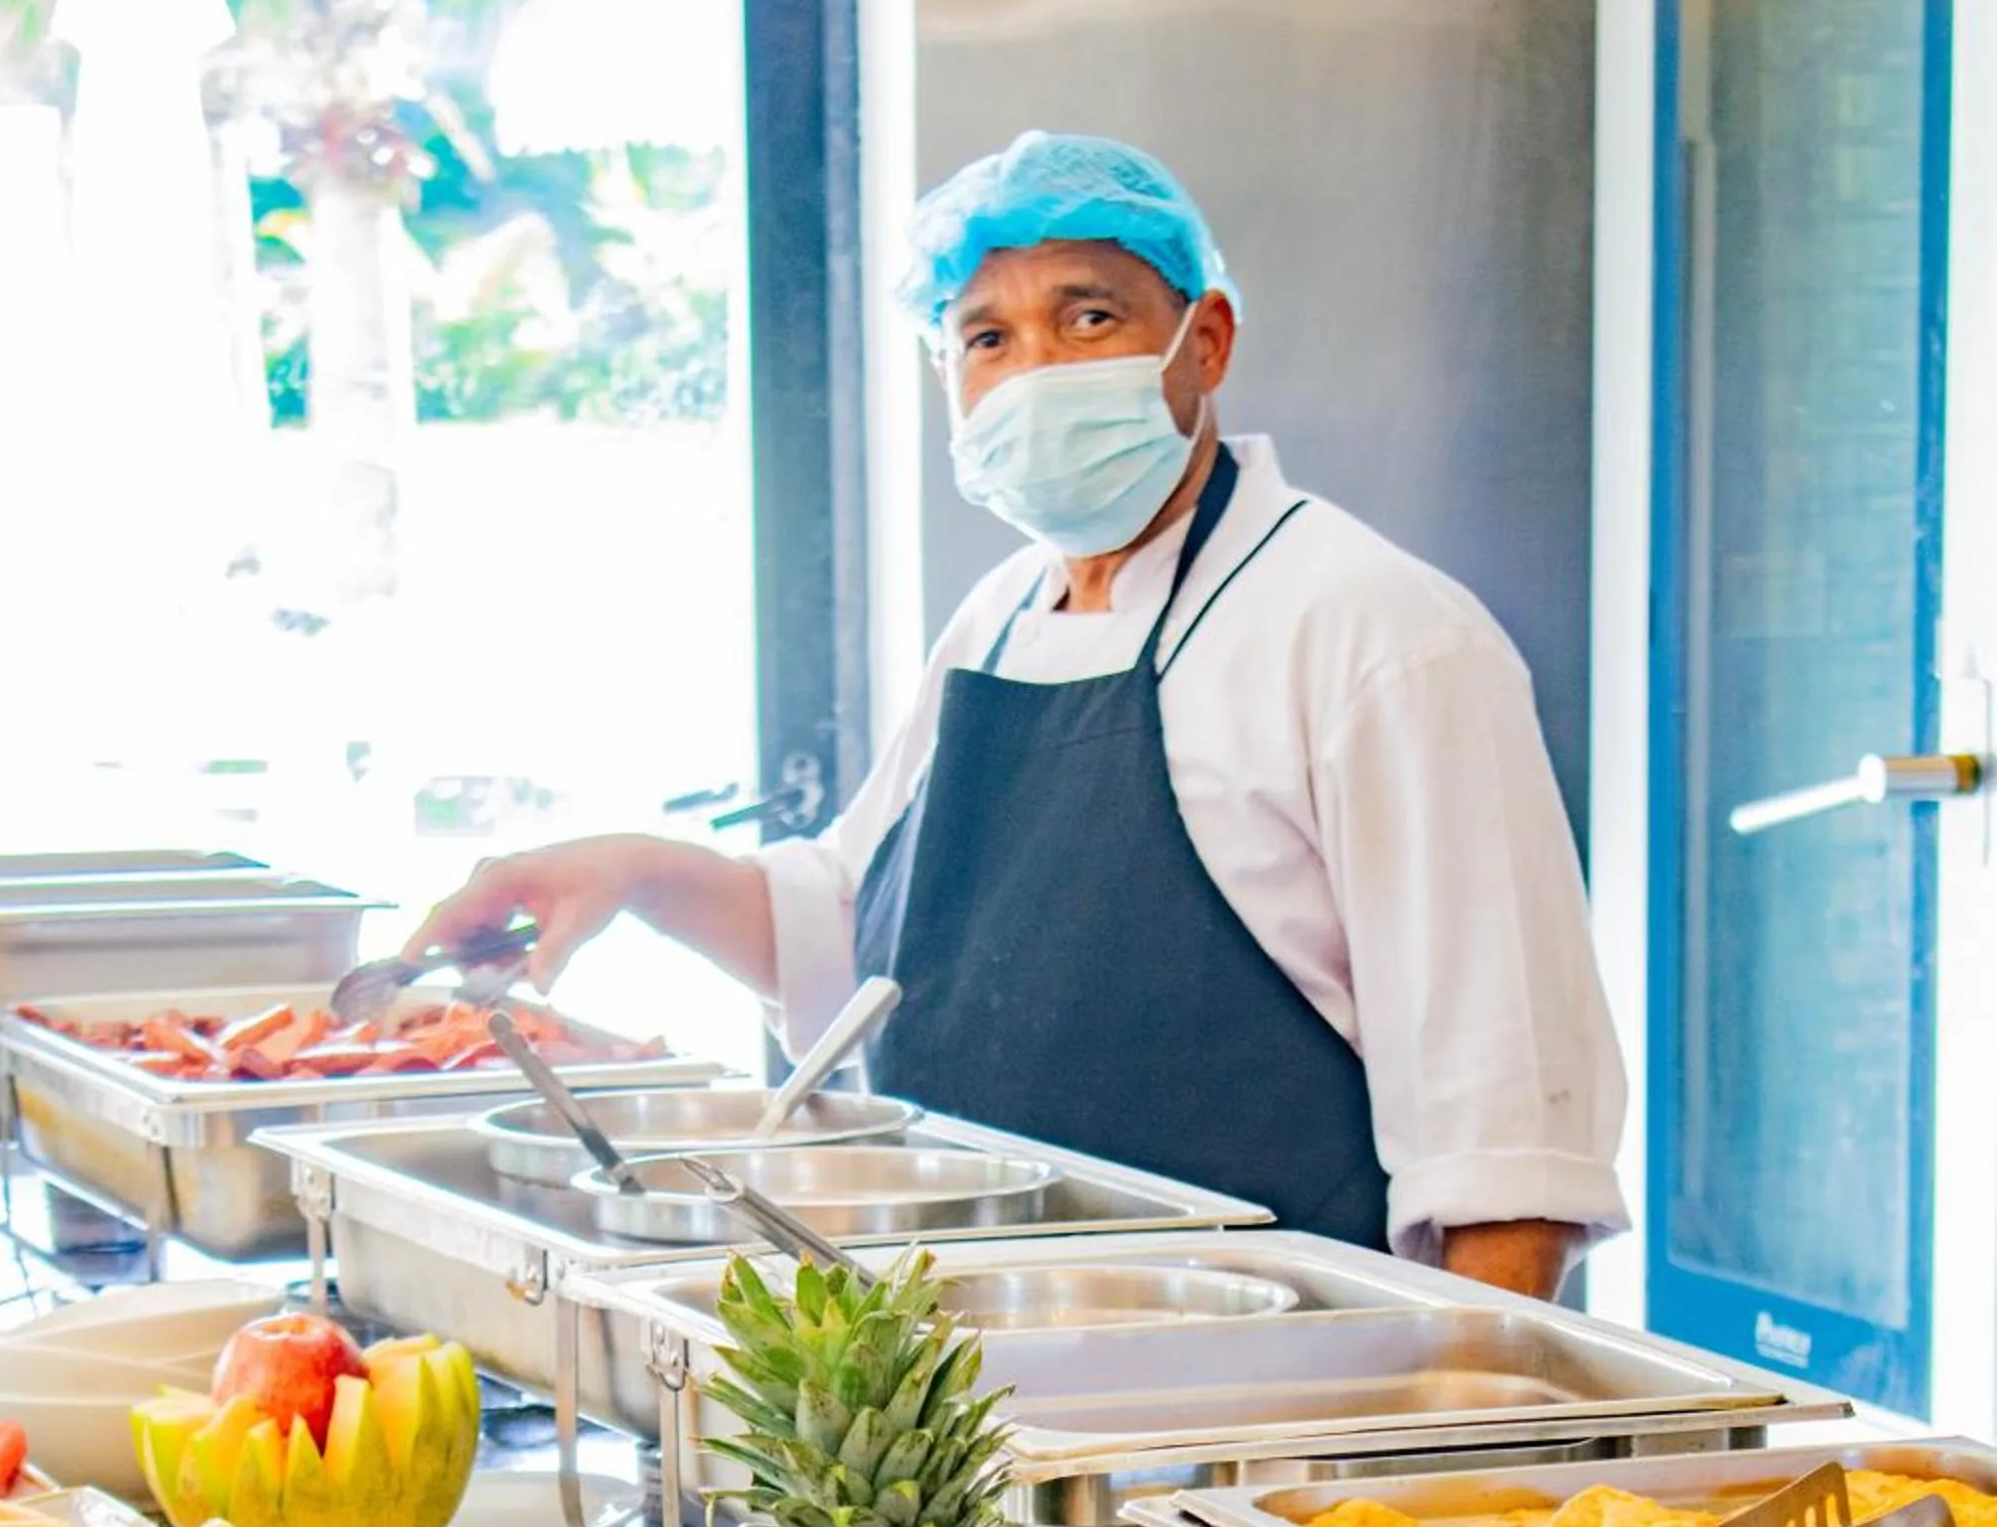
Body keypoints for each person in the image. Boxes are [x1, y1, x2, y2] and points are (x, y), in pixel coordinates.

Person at [411, 133, 1627, 1296]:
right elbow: (852, 941)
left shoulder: (1378, 635)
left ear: (1204, 341)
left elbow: (1506, 1148)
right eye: (986, 337)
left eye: (1087, 319)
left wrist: (1448, 1422)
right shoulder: (998, 616)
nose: (1035, 371)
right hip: (976, 1360)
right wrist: (628, 873)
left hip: (1284, 1377)